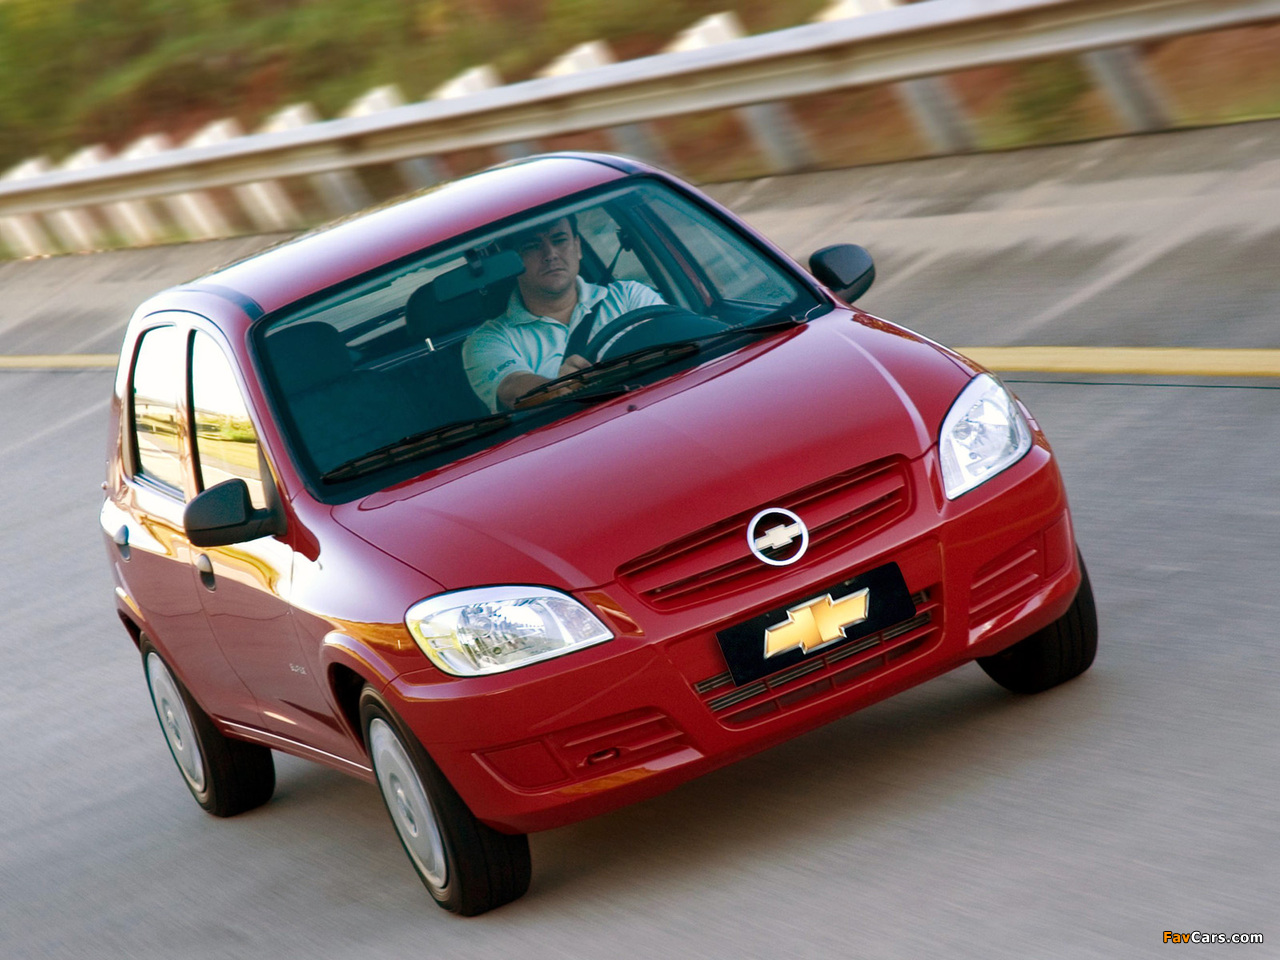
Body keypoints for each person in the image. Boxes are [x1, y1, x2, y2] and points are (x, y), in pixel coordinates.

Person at [462, 214, 665, 412]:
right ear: (512, 262)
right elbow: (512, 387)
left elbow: (673, 338)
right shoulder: (488, 339)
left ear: (577, 247)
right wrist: (558, 388)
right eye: (532, 246)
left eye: (559, 240)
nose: (550, 254)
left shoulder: (629, 296)